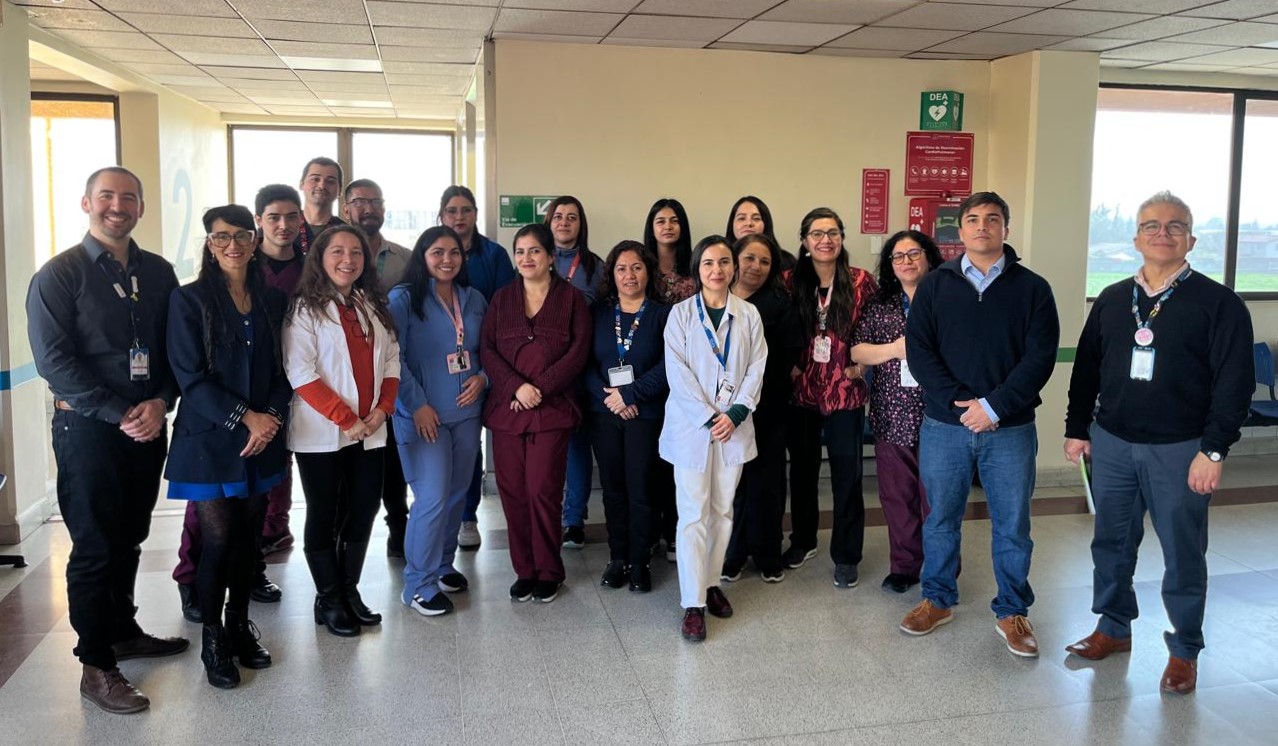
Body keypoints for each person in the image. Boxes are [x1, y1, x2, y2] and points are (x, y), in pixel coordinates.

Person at [1062, 191, 1253, 694]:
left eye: (1174, 226)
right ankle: (1113, 627)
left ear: (1191, 239)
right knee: (1111, 542)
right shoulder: (1111, 298)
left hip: (1182, 449)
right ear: (1136, 238)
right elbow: (1087, 369)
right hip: (1113, 443)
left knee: (1183, 552)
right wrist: (1077, 428)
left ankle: (1184, 648)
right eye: (1151, 225)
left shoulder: (1219, 304)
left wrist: (1213, 450)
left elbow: (1234, 384)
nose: (1162, 233)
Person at [27, 166, 187, 714]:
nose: (117, 206)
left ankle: (122, 631)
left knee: (130, 536)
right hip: (89, 430)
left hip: (147, 425)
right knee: (96, 545)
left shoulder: (158, 272)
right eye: (106, 196)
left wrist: (161, 401)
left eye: (128, 198)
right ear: (86, 203)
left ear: (141, 206)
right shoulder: (59, 274)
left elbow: (174, 349)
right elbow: (55, 362)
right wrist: (122, 413)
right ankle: (96, 666)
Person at [900, 191, 1059, 659]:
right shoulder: (936, 285)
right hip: (944, 427)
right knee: (940, 518)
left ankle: (1012, 611)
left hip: (1009, 429)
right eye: (973, 219)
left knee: (1012, 524)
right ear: (960, 229)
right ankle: (937, 599)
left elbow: (1039, 358)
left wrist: (994, 407)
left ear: (1006, 228)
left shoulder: (1033, 288)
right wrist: (961, 405)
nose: (982, 226)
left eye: (993, 219)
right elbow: (920, 351)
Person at [164, 205, 289, 688]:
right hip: (212, 441)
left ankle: (239, 626)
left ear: (255, 241)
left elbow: (285, 370)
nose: (232, 245)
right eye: (221, 237)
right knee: (218, 540)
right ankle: (213, 638)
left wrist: (269, 417)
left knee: (249, 540)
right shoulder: (189, 300)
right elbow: (190, 378)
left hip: (263, 439)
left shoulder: (273, 300)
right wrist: (246, 417)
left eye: (241, 236)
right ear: (209, 245)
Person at [284, 225, 400, 637]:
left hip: (370, 428)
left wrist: (382, 411)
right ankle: (329, 599)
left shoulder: (371, 304)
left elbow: (392, 360)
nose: (348, 259)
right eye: (337, 251)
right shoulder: (305, 309)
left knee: (365, 508)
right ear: (320, 257)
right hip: (324, 432)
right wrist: (347, 419)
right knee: (324, 512)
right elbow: (300, 372)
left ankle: (349, 591)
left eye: (356, 252)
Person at [660, 236, 767, 642]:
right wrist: (709, 417)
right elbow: (677, 372)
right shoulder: (681, 315)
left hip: (732, 428)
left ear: (733, 268)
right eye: (708, 263)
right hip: (693, 428)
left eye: (724, 262)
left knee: (722, 511)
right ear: (697, 269)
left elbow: (757, 367)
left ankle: (710, 583)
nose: (716, 270)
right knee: (693, 515)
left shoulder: (749, 314)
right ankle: (693, 603)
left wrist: (736, 413)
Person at [480, 223, 591, 604]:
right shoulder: (501, 299)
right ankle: (524, 570)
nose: (526, 258)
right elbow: (487, 349)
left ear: (550, 257)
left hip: (552, 408)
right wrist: (516, 387)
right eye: (520, 251)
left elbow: (578, 352)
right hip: (507, 409)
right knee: (512, 492)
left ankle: (549, 570)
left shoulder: (572, 299)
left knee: (543, 490)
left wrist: (538, 388)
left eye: (534, 251)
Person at [389, 225, 488, 617]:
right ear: (423, 256)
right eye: (438, 252)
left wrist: (484, 378)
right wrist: (416, 405)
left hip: (466, 414)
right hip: (422, 417)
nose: (447, 260)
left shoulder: (473, 298)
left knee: (456, 493)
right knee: (431, 498)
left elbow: (488, 349)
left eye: (455, 252)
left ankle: (443, 565)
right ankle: (418, 584)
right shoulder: (403, 299)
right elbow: (392, 358)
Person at [784, 208, 878, 589]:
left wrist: (865, 365)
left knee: (846, 475)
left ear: (841, 238)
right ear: (804, 241)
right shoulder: (790, 281)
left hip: (845, 390)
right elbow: (775, 329)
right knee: (802, 471)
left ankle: (847, 555)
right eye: (817, 234)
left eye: (833, 233)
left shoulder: (860, 281)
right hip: (802, 390)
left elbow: (876, 326)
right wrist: (787, 364)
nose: (826, 240)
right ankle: (804, 540)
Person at [850, 230, 944, 594]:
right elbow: (857, 351)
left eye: (914, 253)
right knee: (898, 496)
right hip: (891, 414)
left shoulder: (947, 299)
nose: (906, 261)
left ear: (929, 257)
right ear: (890, 265)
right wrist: (894, 349)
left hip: (941, 415)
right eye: (898, 256)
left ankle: (941, 569)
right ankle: (905, 567)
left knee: (938, 500)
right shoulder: (881, 305)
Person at [584, 241, 671, 593]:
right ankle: (617, 557)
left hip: (645, 413)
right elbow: (584, 364)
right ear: (612, 274)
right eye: (621, 268)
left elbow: (669, 365)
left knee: (641, 489)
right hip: (604, 412)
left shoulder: (663, 315)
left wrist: (631, 395)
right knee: (613, 489)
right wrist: (610, 397)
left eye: (636, 267)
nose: (629, 275)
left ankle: (640, 560)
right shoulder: (598, 313)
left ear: (648, 271)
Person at [438, 185, 516, 552]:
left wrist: (490, 367)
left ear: (475, 214)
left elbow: (506, 310)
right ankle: (442, 512)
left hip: (485, 359)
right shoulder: (434, 251)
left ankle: (468, 515)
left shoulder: (494, 255)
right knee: (445, 442)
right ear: (442, 215)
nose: (459, 217)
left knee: (472, 443)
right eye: (452, 210)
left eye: (465, 210)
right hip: (441, 363)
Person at [721, 232, 802, 584]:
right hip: (722, 411)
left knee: (767, 483)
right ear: (735, 259)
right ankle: (733, 554)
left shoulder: (779, 304)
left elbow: (785, 358)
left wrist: (750, 392)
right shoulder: (715, 298)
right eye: (749, 258)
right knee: (732, 484)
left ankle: (768, 554)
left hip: (767, 407)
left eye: (765, 261)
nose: (756, 266)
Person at [344, 178, 414, 558]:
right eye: (360, 202)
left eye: (375, 202)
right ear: (346, 209)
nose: (368, 209)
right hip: (346, 377)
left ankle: (398, 526)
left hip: (391, 371)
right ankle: (346, 536)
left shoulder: (404, 259)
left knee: (393, 458)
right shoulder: (333, 256)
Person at [543, 196, 604, 549]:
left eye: (572, 217)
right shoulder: (536, 259)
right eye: (558, 216)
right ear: (549, 222)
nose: (564, 222)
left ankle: (573, 520)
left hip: (583, 367)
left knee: (578, 447)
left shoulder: (595, 267)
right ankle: (545, 516)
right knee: (547, 448)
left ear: (581, 224)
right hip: (543, 369)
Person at [643, 198, 696, 304]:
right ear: (651, 229)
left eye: (675, 221)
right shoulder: (641, 265)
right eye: (661, 222)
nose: (668, 227)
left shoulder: (695, 264)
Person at [726, 195, 796, 272]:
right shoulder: (722, 257)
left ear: (766, 223)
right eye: (741, 218)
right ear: (732, 224)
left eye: (756, 218)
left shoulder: (786, 261)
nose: (748, 223)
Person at [298, 156, 346, 246]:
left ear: (340, 190)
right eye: (315, 179)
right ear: (301, 184)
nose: (322, 185)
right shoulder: (285, 225)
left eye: (330, 181)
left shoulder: (347, 234)